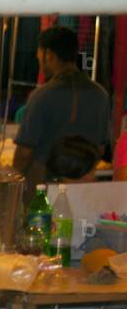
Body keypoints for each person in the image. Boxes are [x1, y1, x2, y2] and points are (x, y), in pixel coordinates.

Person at [13, 26, 111, 191]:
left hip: (43, 183)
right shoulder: (100, 94)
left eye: (39, 53)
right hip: (83, 183)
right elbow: (101, 147)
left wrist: (13, 177)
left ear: (48, 54)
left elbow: (24, 152)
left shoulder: (42, 95)